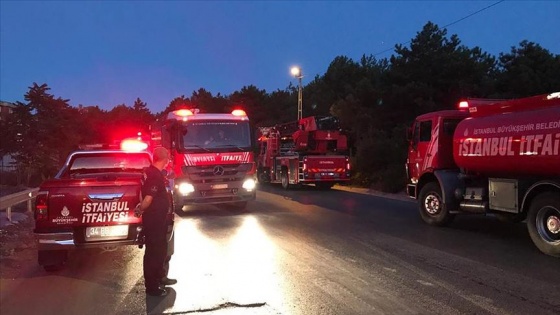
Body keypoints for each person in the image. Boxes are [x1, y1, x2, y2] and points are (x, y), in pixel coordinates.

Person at [135, 147, 177, 297]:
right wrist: (140, 209)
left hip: (159, 219)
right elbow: (147, 198)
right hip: (154, 221)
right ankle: (152, 287)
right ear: (164, 159)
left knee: (161, 249)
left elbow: (142, 193)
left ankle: (160, 277)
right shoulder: (154, 175)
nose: (168, 162)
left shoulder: (152, 173)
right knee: (153, 252)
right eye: (168, 159)